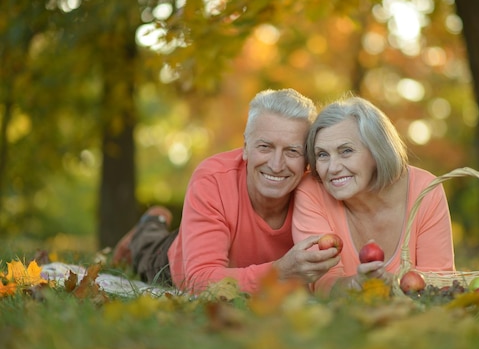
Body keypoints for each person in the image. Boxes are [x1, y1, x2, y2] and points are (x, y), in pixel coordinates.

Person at [112, 88, 340, 294]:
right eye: (265, 147)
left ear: (307, 161)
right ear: (245, 148)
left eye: (292, 151)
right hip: (176, 262)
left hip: (247, 275)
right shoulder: (213, 180)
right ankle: (151, 222)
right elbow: (199, 279)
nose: (277, 164)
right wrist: (279, 272)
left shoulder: (317, 191)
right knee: (146, 249)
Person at [292, 95, 455, 297]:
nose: (332, 168)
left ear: (377, 151)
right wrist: (357, 284)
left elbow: (439, 281)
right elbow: (322, 284)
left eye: (346, 151)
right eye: (322, 155)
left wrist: (393, 285)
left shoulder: (425, 191)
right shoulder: (312, 192)